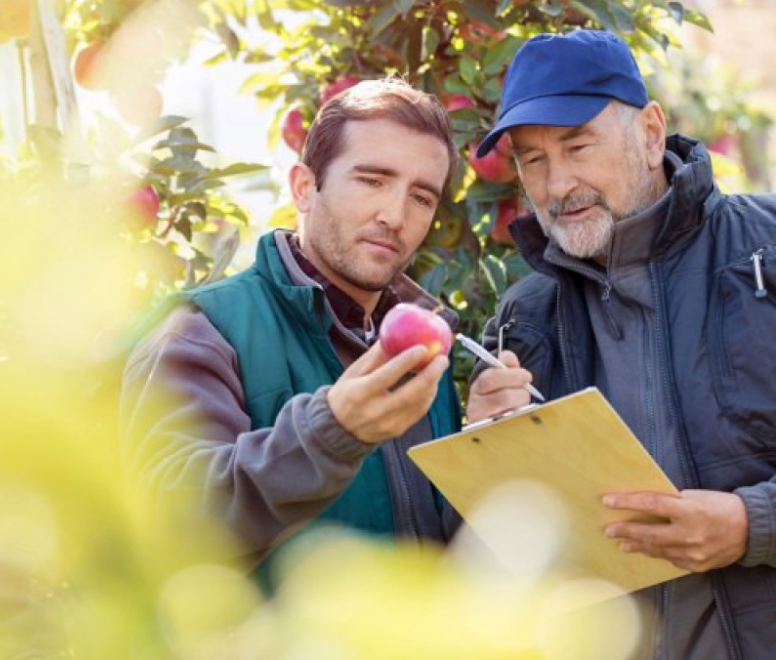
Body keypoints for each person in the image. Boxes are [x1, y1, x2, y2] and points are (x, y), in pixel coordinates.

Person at [467, 30, 776, 660]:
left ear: (651, 133)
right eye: (532, 161)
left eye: (577, 146)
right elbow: (512, 563)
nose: (557, 187)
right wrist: (485, 457)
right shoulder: (522, 319)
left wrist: (755, 525)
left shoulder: (766, 253)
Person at [121, 78, 463, 581]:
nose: (395, 216)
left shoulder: (424, 346)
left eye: (421, 197)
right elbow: (173, 524)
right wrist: (332, 432)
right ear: (305, 187)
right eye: (371, 180)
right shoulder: (203, 331)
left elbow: (433, 548)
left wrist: (487, 446)